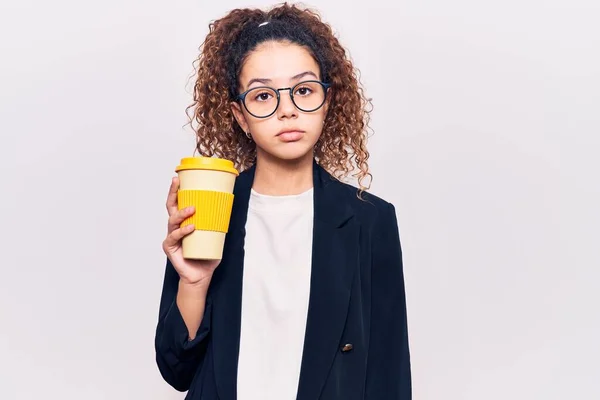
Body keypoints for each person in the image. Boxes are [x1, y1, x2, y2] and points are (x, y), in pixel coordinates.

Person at [155, 3, 411, 399]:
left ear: (327, 100)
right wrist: (194, 282)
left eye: (304, 90)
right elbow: (176, 370)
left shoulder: (370, 219)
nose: (287, 109)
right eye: (263, 96)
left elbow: (388, 372)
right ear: (240, 115)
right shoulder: (211, 205)